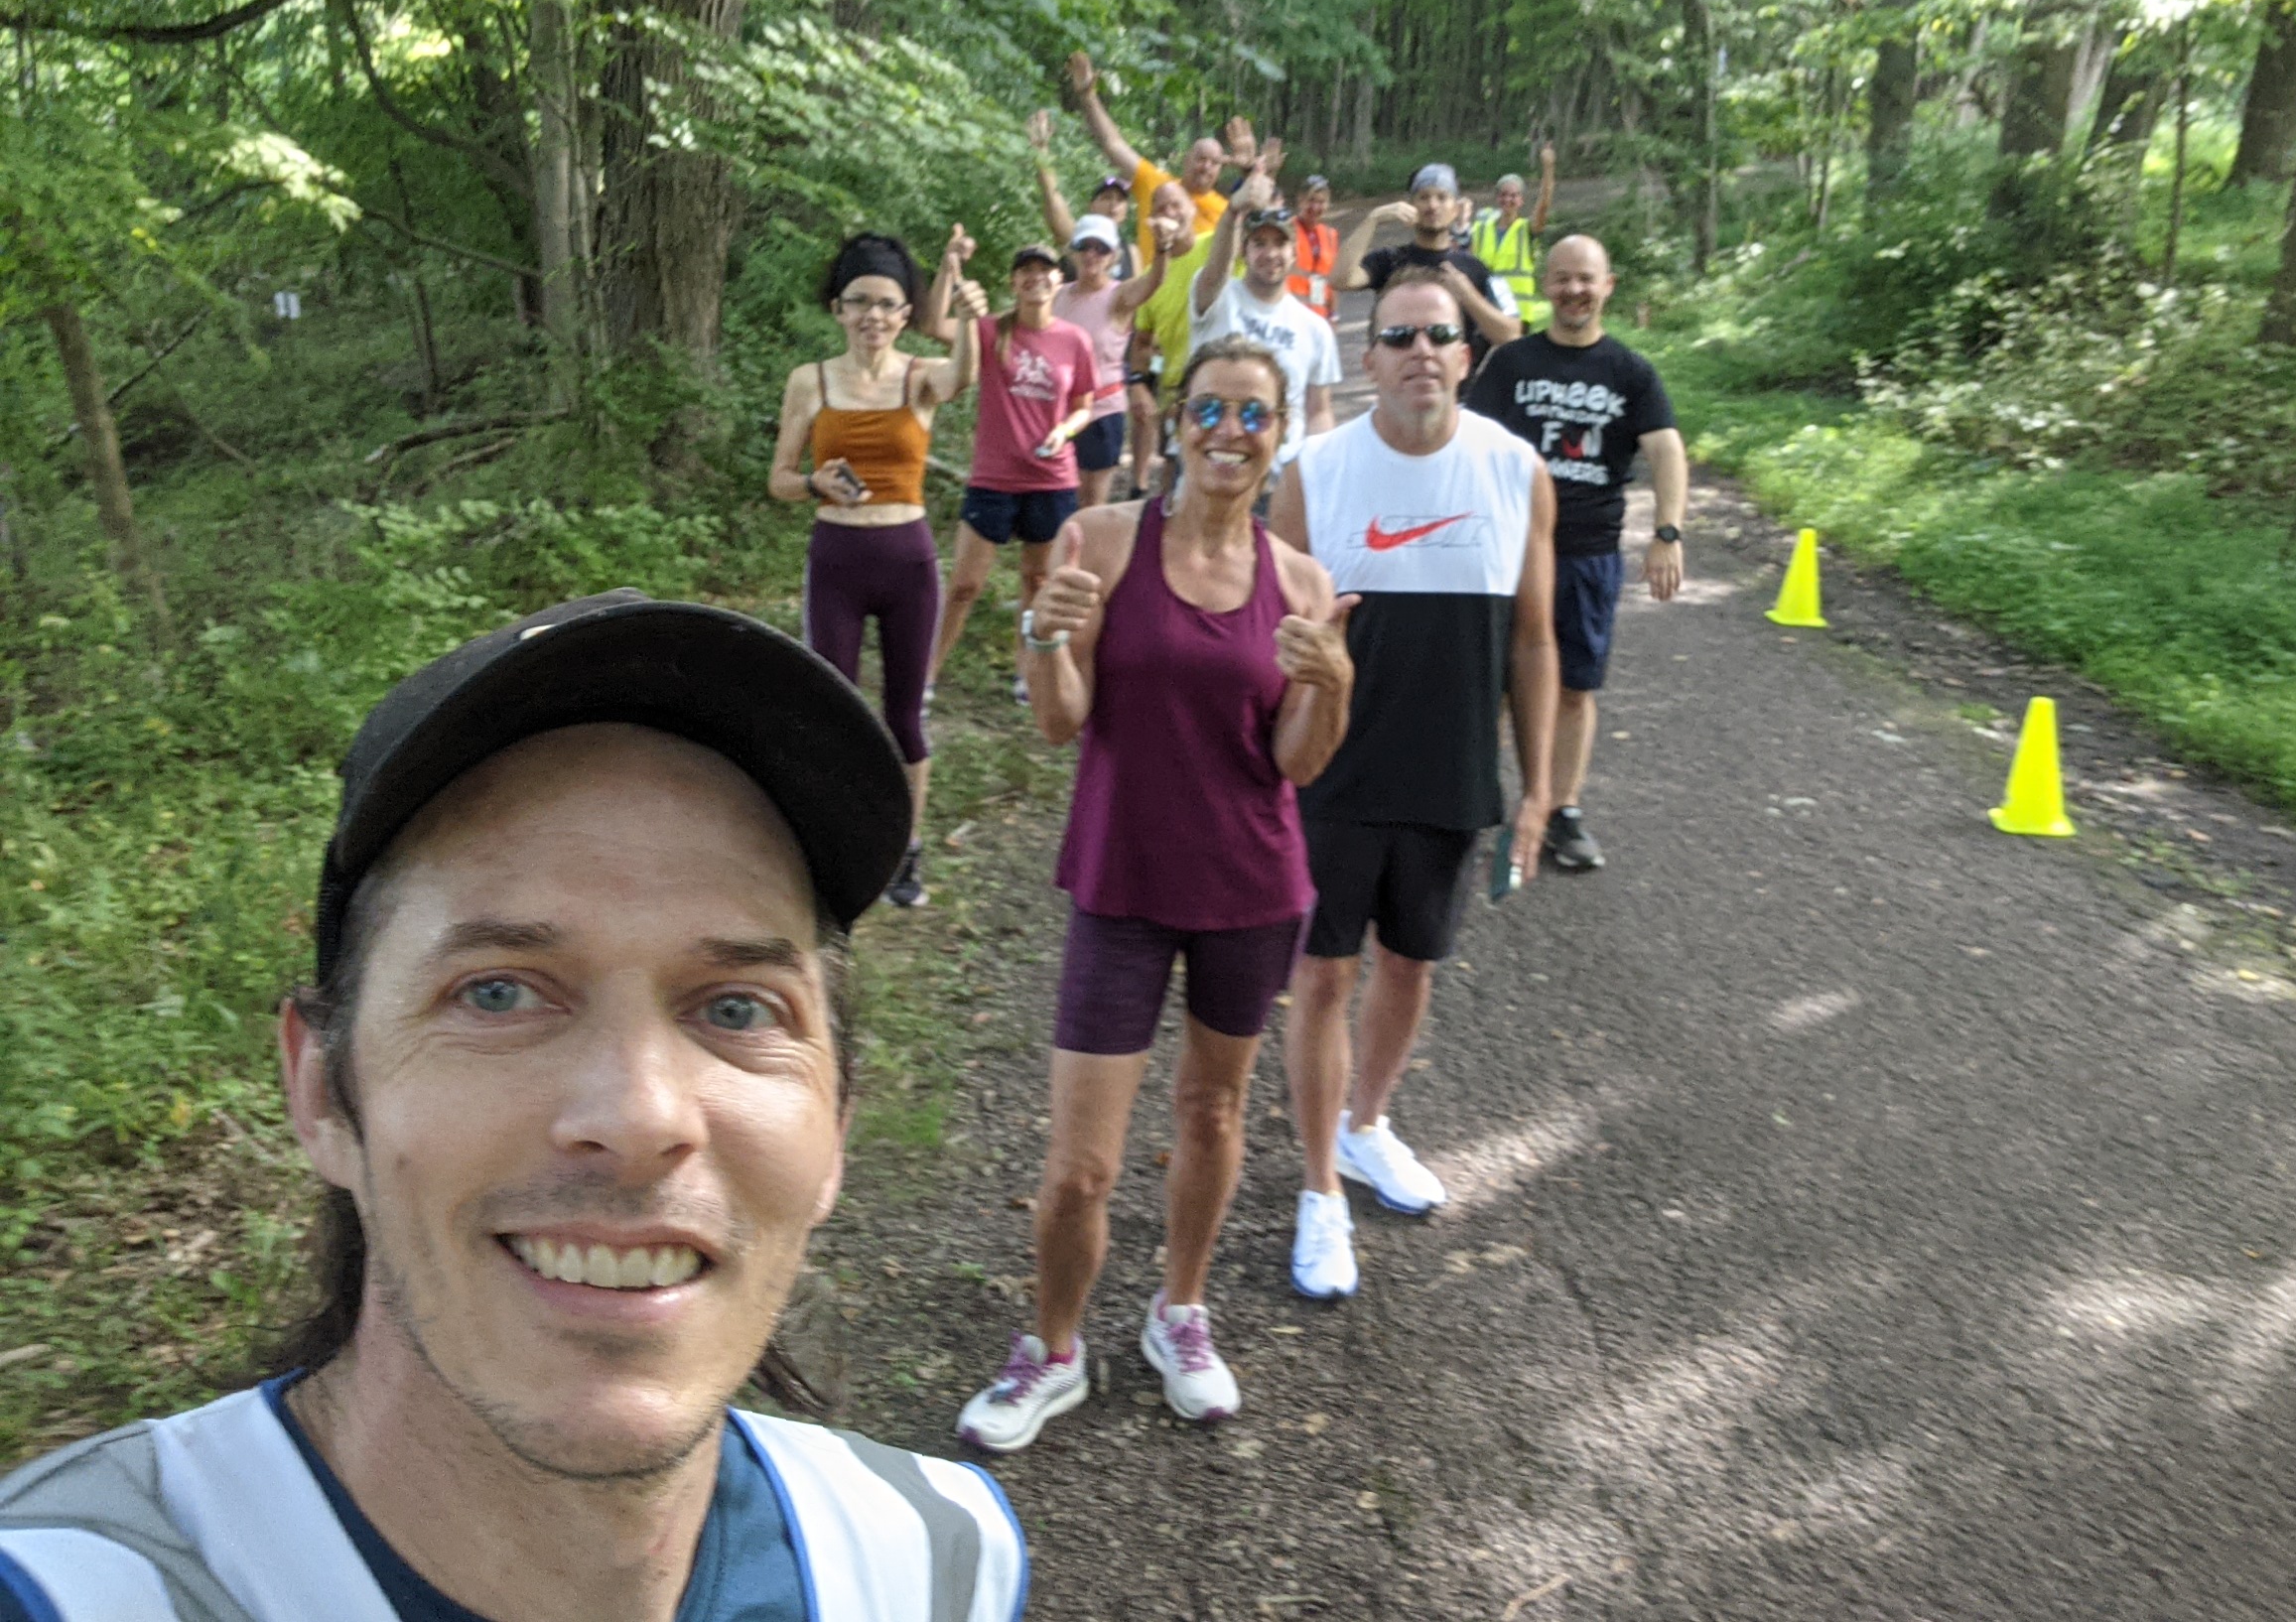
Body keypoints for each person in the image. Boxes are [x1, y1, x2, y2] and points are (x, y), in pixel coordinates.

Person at [0, 592, 1025, 1622]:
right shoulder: (73, 1590)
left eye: (735, 1007)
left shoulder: (933, 1558)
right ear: (322, 1093)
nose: (638, 1116)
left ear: (837, 1124)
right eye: (498, 992)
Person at [954, 339, 1358, 1452]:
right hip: (1122, 882)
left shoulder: (1303, 580)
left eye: (1255, 415)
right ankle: (1054, 1348)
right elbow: (1057, 720)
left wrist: (1335, 685)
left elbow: (1297, 762)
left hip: (1252, 885)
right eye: (1212, 410)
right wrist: (1041, 638)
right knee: (1081, 1165)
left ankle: (1179, 1309)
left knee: (1213, 1112)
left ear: (1279, 436)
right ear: (1175, 422)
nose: (1231, 431)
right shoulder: (1106, 538)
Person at [1269, 275, 1556, 1299]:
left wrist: (1539, 792)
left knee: (1411, 966)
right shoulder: (1313, 471)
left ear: (1466, 355)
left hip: (1451, 771)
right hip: (1335, 770)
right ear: (1368, 356)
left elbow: (1531, 641)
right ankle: (1317, 1193)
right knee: (1322, 979)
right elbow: (1280, 642)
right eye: (1400, 336)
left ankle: (1367, 1127)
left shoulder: (1518, 470)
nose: (1422, 351)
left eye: (1442, 334)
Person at [769, 227, 982, 911]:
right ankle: (830, 841)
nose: (873, 317)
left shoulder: (919, 375)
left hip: (907, 561)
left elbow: (962, 378)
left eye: (888, 305)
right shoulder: (811, 381)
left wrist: (972, 321)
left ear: (905, 313)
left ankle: (907, 847)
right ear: (837, 308)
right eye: (859, 301)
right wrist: (814, 484)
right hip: (837, 556)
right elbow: (778, 478)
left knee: (905, 717)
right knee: (829, 704)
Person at [1465, 234, 1687, 872]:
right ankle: (1479, 797)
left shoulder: (1630, 371)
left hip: (1587, 554)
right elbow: (1472, 444)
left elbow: (1666, 448)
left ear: (1608, 285)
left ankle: (1562, 810)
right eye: (1561, 279)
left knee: (1573, 688)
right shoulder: (1511, 364)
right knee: (1493, 680)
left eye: (1585, 279)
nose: (1574, 291)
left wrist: (1667, 532)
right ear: (1546, 285)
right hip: (1506, 551)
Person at [929, 245, 1104, 701]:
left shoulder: (1074, 340)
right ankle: (925, 675)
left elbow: (1086, 403)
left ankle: (1026, 673)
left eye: (1044, 271)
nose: (1035, 278)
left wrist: (1065, 431)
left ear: (1058, 282)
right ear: (1014, 282)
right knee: (964, 585)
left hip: (1052, 481)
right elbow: (933, 326)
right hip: (993, 479)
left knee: (1036, 581)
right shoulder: (990, 330)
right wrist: (950, 269)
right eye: (1025, 271)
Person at [1187, 169, 1340, 473]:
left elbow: (1318, 410)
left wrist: (1318, 468)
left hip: (1278, 476)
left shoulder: (1315, 329)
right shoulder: (1217, 298)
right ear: (1244, 251)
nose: (1270, 254)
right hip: (1210, 461)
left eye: (1279, 244)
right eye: (1259, 244)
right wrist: (1232, 211)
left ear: (1293, 252)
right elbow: (1218, 266)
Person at [1330, 163, 1521, 362]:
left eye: (1442, 197)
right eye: (1424, 197)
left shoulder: (1476, 270)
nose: (1432, 205)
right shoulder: (1389, 260)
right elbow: (1340, 279)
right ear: (1410, 206)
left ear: (1455, 210)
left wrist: (1468, 295)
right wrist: (1373, 218)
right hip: (1401, 386)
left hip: (1459, 391)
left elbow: (1510, 334)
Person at [1062, 52, 1238, 265]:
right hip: (1148, 291)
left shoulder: (1225, 210)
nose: (1206, 167)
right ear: (1186, 160)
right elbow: (1113, 144)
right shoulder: (1155, 183)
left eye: (1214, 163)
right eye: (1201, 158)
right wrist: (1088, 97)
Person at [1054, 213, 1168, 506]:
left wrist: (1161, 249)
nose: (1092, 255)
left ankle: (1090, 551)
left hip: (1103, 410)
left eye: (1101, 248)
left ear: (1113, 255)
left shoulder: (1119, 295)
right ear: (1073, 251)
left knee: (1092, 498)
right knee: (1060, 493)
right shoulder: (1057, 296)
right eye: (1085, 246)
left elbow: (1153, 282)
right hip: (1060, 410)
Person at [1127, 182, 1216, 484]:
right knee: (1174, 477)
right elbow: (1142, 341)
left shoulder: (1215, 247)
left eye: (1176, 204)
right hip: (1176, 396)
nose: (1170, 213)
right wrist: (1139, 383)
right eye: (1161, 208)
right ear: (1150, 218)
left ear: (1192, 209)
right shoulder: (1150, 278)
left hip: (1222, 388)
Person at [1029, 109, 1137, 281]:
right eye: (1106, 198)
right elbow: (1052, 197)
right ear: (1091, 206)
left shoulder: (1131, 252)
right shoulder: (1076, 237)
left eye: (1120, 200)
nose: (1113, 205)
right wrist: (1041, 152)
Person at [1469, 143, 1557, 335]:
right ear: (1497, 198)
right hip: (1486, 310)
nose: (1508, 199)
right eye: (1504, 195)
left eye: (1514, 195)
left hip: (1518, 314)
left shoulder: (1526, 229)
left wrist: (1548, 168)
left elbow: (1544, 205)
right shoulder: (1481, 229)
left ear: (1521, 200)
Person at [1285, 174, 1339, 324]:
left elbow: (1330, 280)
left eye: (1321, 202)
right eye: (1311, 200)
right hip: (1291, 314)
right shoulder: (1287, 229)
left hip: (1318, 317)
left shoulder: (1330, 235)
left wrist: (1333, 314)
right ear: (1300, 200)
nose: (1315, 207)